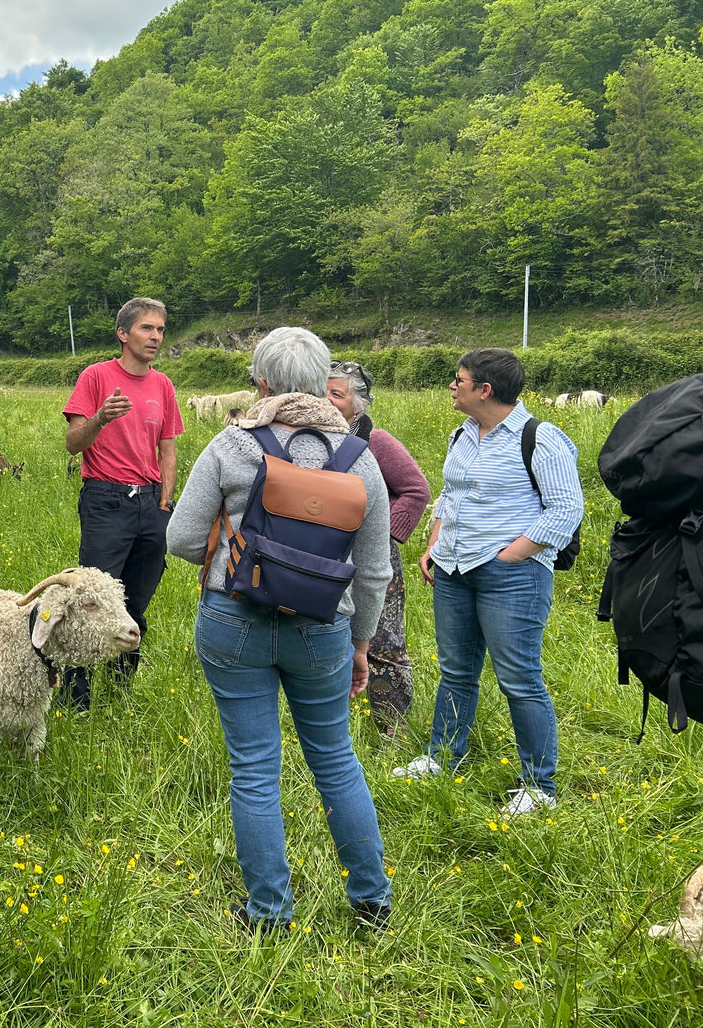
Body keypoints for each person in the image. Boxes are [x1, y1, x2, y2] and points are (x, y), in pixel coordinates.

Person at [166, 326, 393, 930]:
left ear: (261, 383)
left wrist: (230, 546)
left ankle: (268, 913)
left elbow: (181, 539)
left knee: (253, 769)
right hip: (324, 629)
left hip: (233, 620)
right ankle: (371, 900)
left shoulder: (230, 445)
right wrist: (361, 644)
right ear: (323, 383)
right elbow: (374, 570)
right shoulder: (360, 458)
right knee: (336, 761)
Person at [398, 348, 584, 816]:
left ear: (485, 389)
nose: (451, 386)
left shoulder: (540, 437)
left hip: (511, 577)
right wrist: (434, 544)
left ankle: (539, 786)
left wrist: (510, 556)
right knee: (456, 671)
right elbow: (450, 494)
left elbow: (566, 508)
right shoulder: (461, 434)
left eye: (458, 379)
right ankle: (442, 758)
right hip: (453, 570)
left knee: (519, 678)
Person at [62, 296, 183, 709]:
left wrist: (165, 503)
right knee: (91, 600)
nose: (155, 336)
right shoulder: (96, 376)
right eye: (147, 328)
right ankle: (75, 698)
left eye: (160, 329)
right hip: (106, 499)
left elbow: (168, 450)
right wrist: (100, 418)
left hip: (151, 504)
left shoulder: (163, 385)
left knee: (135, 603)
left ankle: (118, 693)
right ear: (123, 333)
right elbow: (72, 444)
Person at [326, 360, 431, 732]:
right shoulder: (311, 437)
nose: (327, 400)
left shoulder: (377, 441)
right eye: (322, 392)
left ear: (358, 404)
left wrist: (380, 535)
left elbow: (416, 491)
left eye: (337, 394)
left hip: (374, 559)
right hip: (325, 555)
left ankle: (392, 732)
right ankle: (335, 728)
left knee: (382, 643)